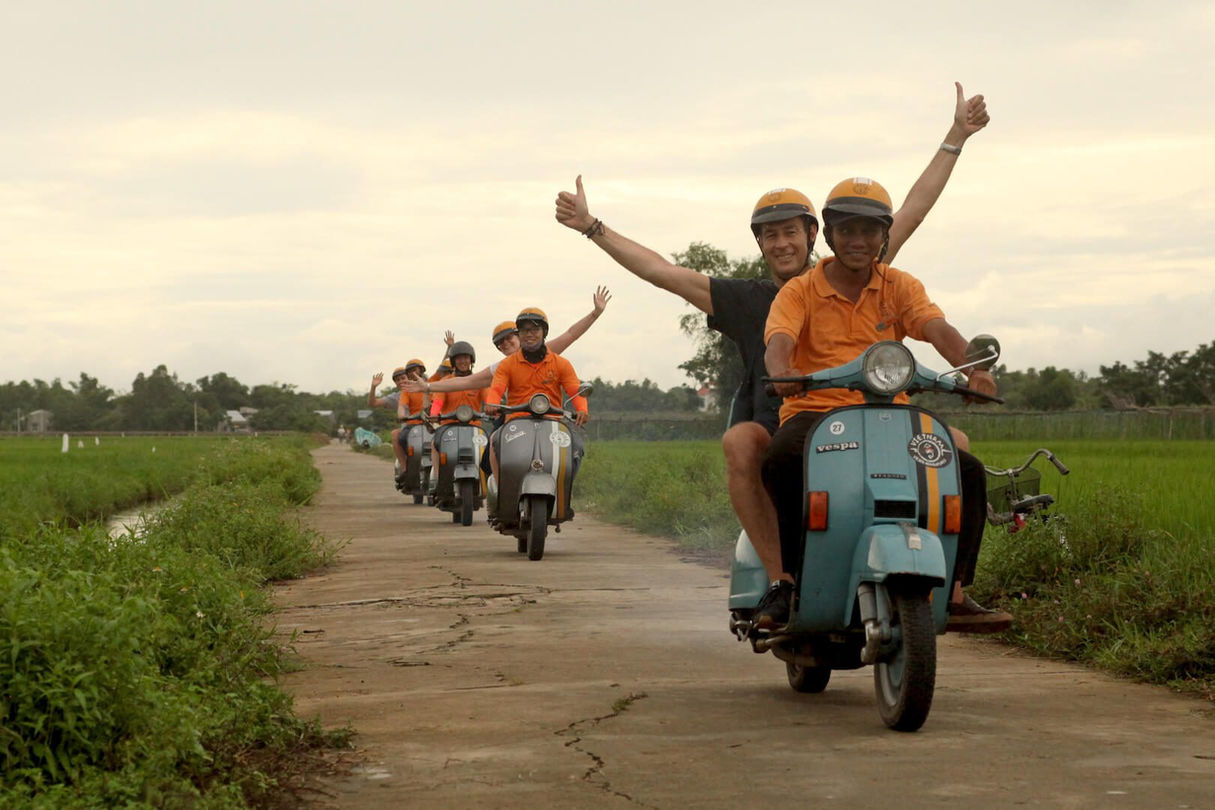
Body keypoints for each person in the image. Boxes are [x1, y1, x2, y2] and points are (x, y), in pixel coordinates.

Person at [555, 83, 990, 622]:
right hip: (788, 418)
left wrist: (956, 135)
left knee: (961, 449)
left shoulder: (870, 266)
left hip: (875, 414)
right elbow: (662, 272)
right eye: (771, 236)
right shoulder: (749, 298)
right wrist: (593, 227)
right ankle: (783, 577)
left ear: (817, 236)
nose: (782, 243)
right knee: (745, 443)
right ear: (761, 244)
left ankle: (949, 584)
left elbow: (913, 211)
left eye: (792, 233)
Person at [760, 176, 1010, 632]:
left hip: (890, 413)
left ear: (884, 236)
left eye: (870, 231)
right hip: (815, 413)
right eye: (848, 230)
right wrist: (783, 373)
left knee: (966, 470)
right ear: (829, 235)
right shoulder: (799, 291)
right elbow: (779, 340)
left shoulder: (899, 285)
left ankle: (954, 591)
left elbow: (936, 328)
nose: (859, 241)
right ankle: (790, 581)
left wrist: (973, 370)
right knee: (780, 459)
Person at [404, 286, 613, 398]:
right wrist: (428, 387)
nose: (506, 344)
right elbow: (466, 381)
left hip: (550, 419)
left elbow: (571, 334)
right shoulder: (502, 367)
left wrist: (595, 314)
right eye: (500, 343)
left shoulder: (549, 352)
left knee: (573, 450)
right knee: (489, 453)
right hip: (516, 421)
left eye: (508, 338)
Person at [484, 308, 589, 481]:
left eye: (535, 329)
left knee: (576, 447)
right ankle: (502, 489)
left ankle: (563, 497)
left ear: (544, 332)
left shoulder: (561, 363)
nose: (529, 334)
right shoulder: (507, 365)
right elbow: (496, 389)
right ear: (519, 334)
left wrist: (582, 409)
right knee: (495, 439)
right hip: (516, 421)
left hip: (553, 421)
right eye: (524, 330)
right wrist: (492, 402)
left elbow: (575, 390)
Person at [425, 341, 492, 483]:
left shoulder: (479, 380)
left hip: (474, 426)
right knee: (435, 443)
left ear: (471, 360)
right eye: (459, 358)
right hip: (448, 425)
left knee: (490, 446)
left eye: (466, 358)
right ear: (454, 361)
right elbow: (437, 401)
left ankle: (488, 479)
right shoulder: (446, 381)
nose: (463, 361)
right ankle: (438, 478)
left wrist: (493, 408)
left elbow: (488, 399)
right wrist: (434, 414)